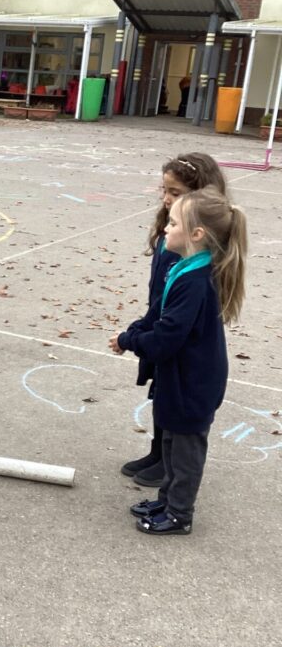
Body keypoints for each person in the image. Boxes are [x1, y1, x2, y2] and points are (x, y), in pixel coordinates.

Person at [110, 187, 247, 535]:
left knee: (185, 452)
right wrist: (134, 331)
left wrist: (130, 341)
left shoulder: (196, 281)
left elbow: (166, 338)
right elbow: (160, 313)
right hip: (180, 377)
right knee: (170, 441)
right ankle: (167, 499)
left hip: (194, 382)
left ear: (196, 234)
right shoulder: (184, 268)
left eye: (173, 223)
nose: (165, 228)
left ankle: (180, 514)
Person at [119, 153, 226, 488]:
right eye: (164, 190)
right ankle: (158, 452)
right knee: (161, 390)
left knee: (175, 396)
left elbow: (181, 305)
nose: (166, 199)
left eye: (175, 192)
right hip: (163, 318)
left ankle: (171, 469)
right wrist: (145, 323)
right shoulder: (172, 232)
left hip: (176, 333)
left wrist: (141, 335)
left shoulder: (197, 253)